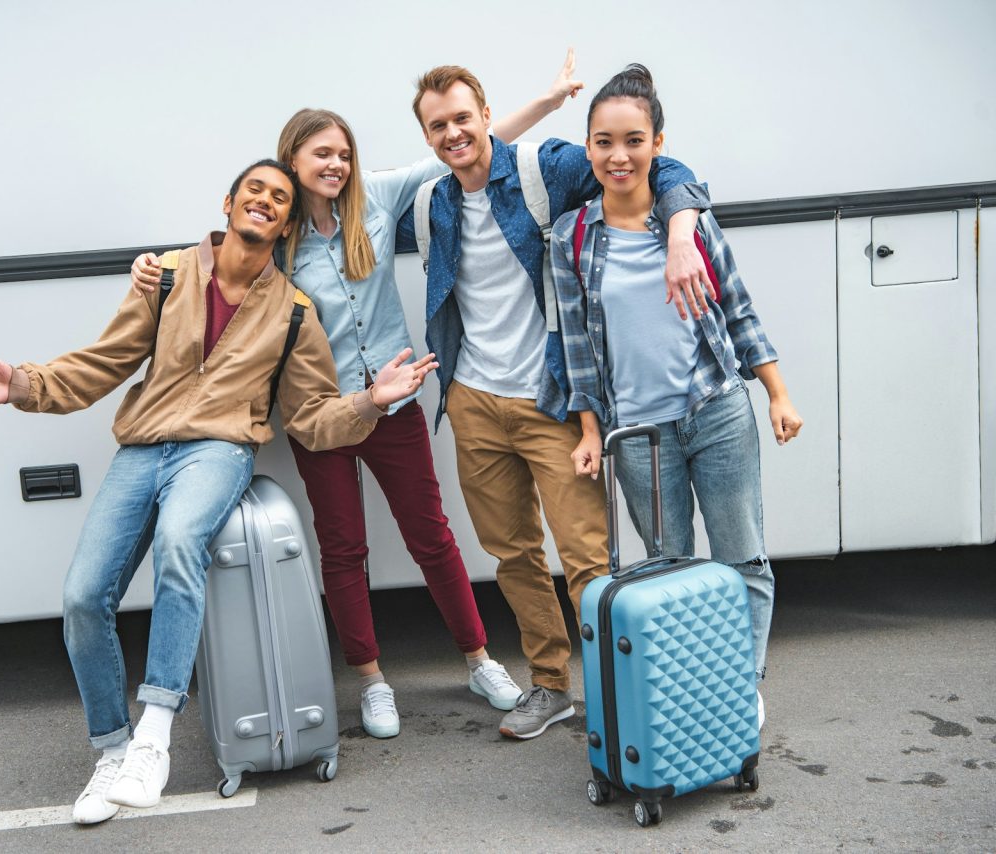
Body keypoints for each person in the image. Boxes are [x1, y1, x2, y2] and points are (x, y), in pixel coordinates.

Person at [0, 160, 437, 824]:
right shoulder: (170, 275)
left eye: (280, 199)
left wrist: (370, 402)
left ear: (287, 223)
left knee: (182, 542)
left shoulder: (294, 312)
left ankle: (154, 735)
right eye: (254, 190)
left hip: (219, 449)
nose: (265, 202)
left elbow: (313, 417)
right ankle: (112, 752)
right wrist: (25, 385)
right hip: (143, 448)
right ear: (230, 202)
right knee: (84, 596)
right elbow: (107, 360)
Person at [131, 51, 586, 740]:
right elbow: (212, 261)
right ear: (294, 159)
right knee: (343, 550)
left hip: (395, 402)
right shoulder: (275, 235)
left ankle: (479, 659)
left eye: (343, 153)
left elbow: (470, 150)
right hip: (323, 417)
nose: (337, 165)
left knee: (433, 537)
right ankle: (371, 680)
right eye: (322, 155)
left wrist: (549, 102)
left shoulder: (376, 198)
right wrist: (149, 267)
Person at [396, 64, 712, 740]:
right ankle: (550, 686)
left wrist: (683, 226)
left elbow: (650, 161)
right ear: (427, 135)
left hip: (552, 397)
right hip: (475, 401)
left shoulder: (545, 169)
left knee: (586, 557)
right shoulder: (432, 203)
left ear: (485, 112)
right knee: (511, 554)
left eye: (462, 118)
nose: (454, 133)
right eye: (438, 125)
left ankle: (612, 690)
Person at [550, 64, 803, 728]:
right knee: (670, 569)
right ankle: (693, 689)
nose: (618, 155)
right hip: (638, 435)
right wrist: (586, 430)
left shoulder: (687, 222)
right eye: (603, 142)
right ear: (589, 148)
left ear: (658, 144)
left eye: (633, 140)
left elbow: (739, 312)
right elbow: (576, 343)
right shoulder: (571, 239)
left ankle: (740, 688)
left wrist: (777, 394)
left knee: (741, 557)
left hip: (716, 411)